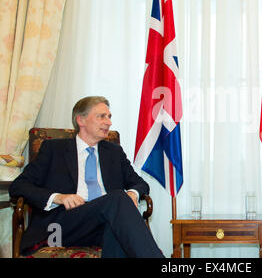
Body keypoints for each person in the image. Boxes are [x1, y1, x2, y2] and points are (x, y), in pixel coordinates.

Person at [9, 96, 164, 258]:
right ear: (81, 120)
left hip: (101, 227)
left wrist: (133, 193)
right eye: (101, 116)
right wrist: (58, 197)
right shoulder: (54, 149)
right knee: (118, 199)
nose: (109, 122)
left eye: (109, 117)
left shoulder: (114, 152)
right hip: (62, 226)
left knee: (117, 226)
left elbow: (140, 184)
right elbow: (19, 186)